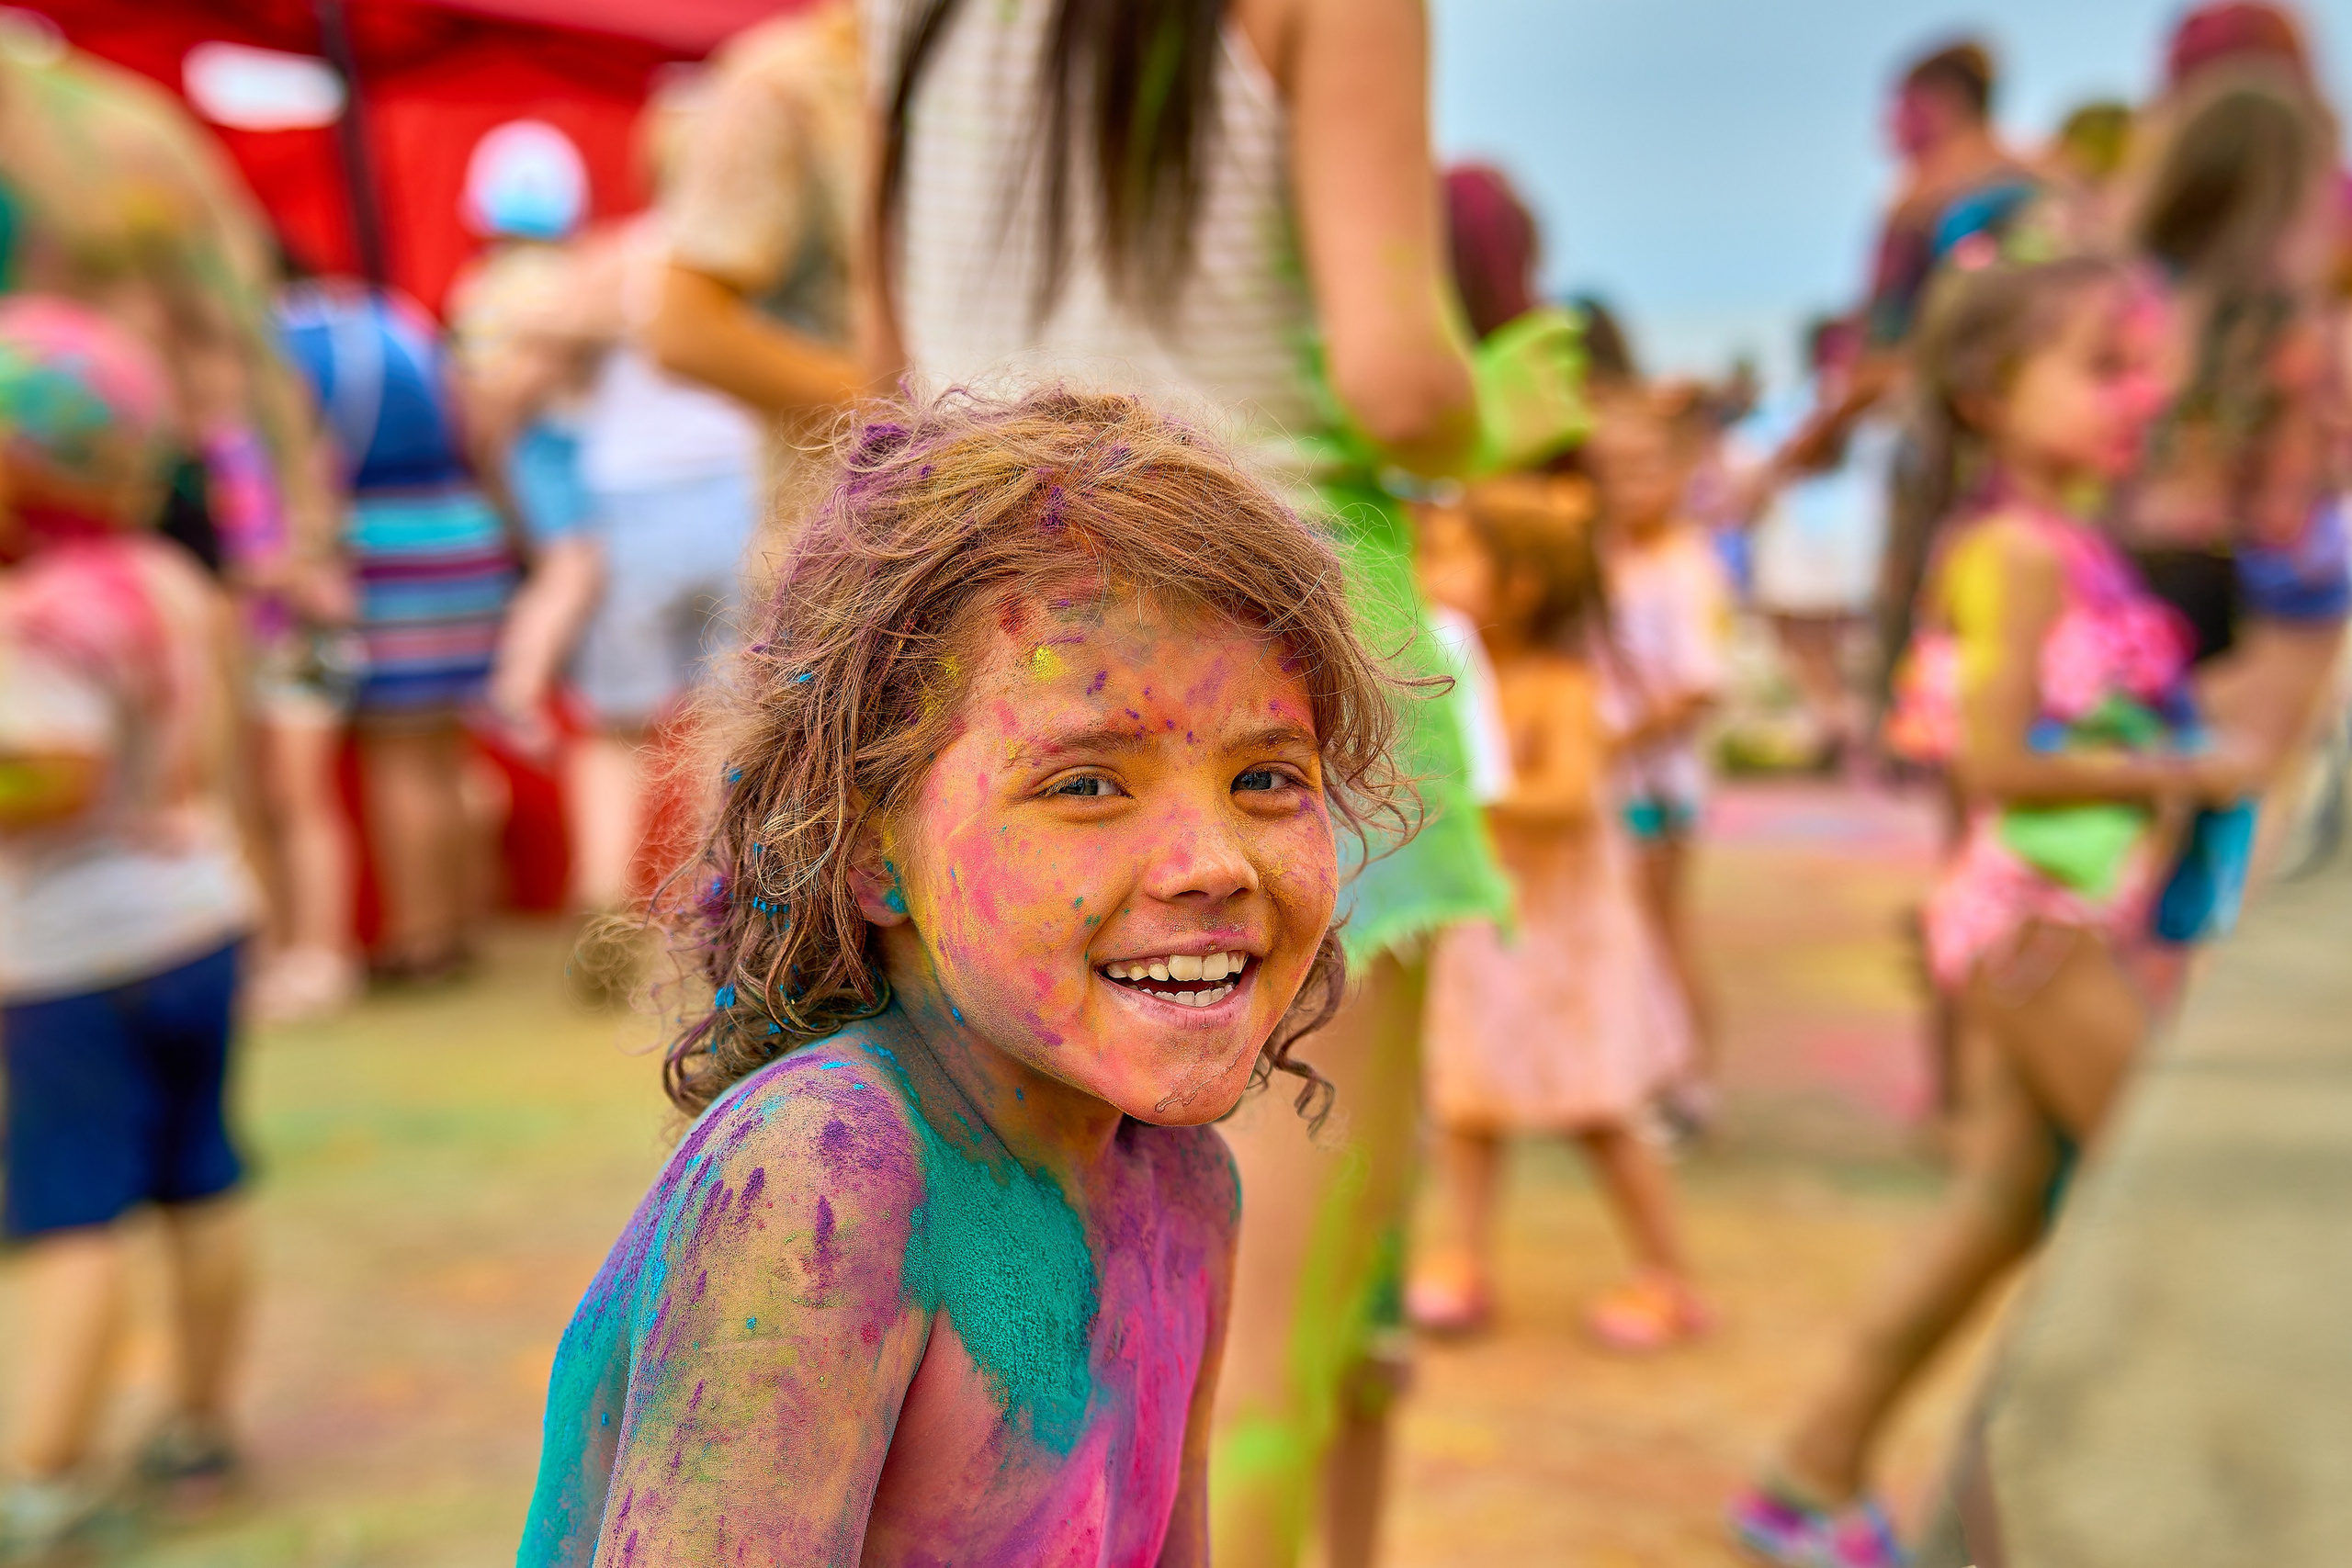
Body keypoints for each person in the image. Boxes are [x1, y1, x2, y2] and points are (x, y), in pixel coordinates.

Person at [867, 2, 1559, 1562]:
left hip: (992, 687)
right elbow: (1399, 382)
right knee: (1265, 1350)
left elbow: (884, 365)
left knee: (1007, 1327)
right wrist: (1498, 408)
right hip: (1287, 674)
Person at [516, 387, 1413, 1562]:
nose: (1212, 863)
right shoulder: (822, 1182)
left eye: (1267, 779)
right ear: (867, 853)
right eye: (1085, 785)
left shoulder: (1183, 1182)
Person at [1730, 257, 2253, 1568]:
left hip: (2056, 921)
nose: (2137, 396)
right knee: (2165, 1211)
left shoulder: (2071, 546)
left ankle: (1806, 1478)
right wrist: (2182, 771)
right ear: (1987, 393)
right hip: (2032, 923)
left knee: (2004, 1212)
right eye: (2099, 368)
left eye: (2143, 368)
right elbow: (1997, 763)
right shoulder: (2014, 552)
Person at [0, 26, 352, 1023]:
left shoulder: (113, 143)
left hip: (183, 525)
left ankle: (273, 949)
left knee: (245, 771)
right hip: (174, 531)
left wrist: (296, 534)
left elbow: (241, 342)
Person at [0, 299, 259, 1548]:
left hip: (71, 955)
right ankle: (200, 1425)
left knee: (71, 1211)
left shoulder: (39, 622)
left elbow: (54, 775)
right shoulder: (169, 578)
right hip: (198, 914)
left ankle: (44, 1474)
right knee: (200, 1174)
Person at [1406, 477, 1707, 1349]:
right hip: (1486, 921)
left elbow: (1568, 796)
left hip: (1563, 932)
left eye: (1453, 556)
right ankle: (1461, 1256)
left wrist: (1465, 794)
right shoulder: (1458, 675)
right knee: (1468, 1098)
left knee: (1597, 1104)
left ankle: (1666, 1274)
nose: (1429, 572)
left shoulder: (1561, 686)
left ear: (1522, 585)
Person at [276, 283, 519, 982]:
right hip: (463, 531)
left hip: (382, 545)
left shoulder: (290, 339)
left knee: (400, 757)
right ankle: (461, 918)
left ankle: (420, 938)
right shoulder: (394, 320)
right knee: (444, 750)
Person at [646, 0, 868, 482]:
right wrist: (899, 414)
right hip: (843, 499)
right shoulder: (786, 87)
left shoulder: (951, 78)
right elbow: (684, 331)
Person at [1595, 396, 1730, 1111]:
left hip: (1656, 783)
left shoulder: (1685, 564)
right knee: (1625, 931)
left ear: (1681, 471)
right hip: (1610, 776)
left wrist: (1614, 740)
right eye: (1612, 469)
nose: (1628, 484)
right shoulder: (1600, 555)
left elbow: (1699, 687)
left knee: (1659, 926)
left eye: (1645, 467)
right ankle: (1647, 1069)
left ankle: (1690, 1078)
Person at [1729, 317, 1898, 769]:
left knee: (1825, 644)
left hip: (1835, 545)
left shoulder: (1865, 410)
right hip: (1807, 542)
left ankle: (1843, 727)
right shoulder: (1798, 406)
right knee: (1807, 643)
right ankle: (1839, 725)